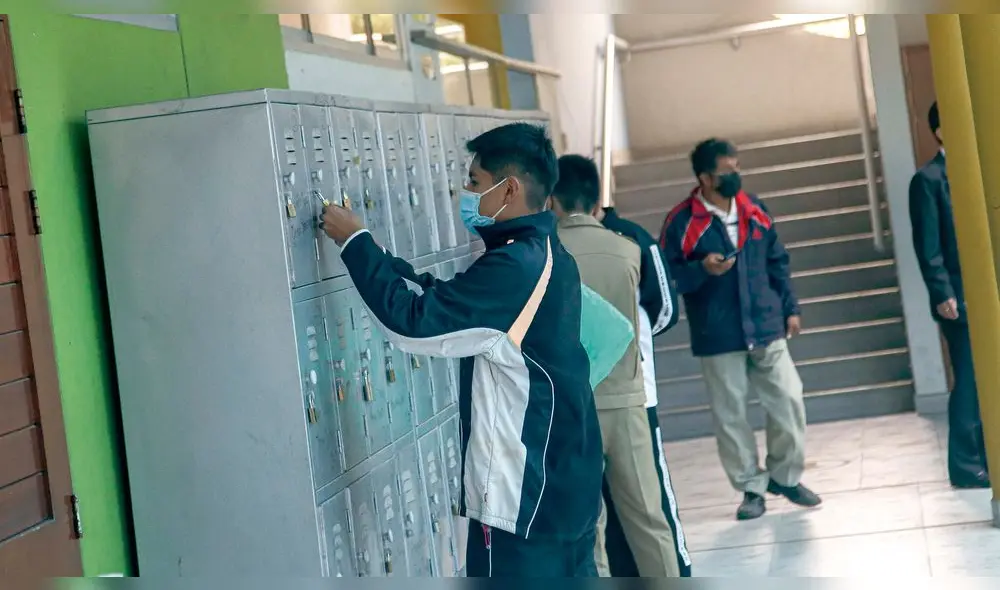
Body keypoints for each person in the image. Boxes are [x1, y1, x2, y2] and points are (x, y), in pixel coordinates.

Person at [320, 123, 605, 577]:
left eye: (474, 182)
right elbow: (454, 300)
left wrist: (355, 244)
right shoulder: (543, 251)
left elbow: (414, 324)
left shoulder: (516, 265)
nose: (465, 193)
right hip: (566, 484)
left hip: (525, 499)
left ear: (509, 188)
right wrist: (380, 255)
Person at [659, 138, 821, 521]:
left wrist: (790, 308)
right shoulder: (682, 222)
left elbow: (777, 260)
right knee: (730, 414)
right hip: (718, 334)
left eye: (736, 167)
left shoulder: (755, 210)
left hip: (766, 324)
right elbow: (666, 275)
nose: (735, 175)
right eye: (726, 171)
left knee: (789, 399)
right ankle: (751, 488)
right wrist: (702, 269)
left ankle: (784, 475)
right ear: (705, 178)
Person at [549, 154, 680, 578]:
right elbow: (656, 314)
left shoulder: (545, 253)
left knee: (590, 525)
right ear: (594, 200)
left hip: (571, 408)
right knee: (648, 517)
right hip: (627, 403)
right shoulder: (628, 248)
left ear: (550, 198)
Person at [592, 167, 692, 578]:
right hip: (605, 395)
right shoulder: (557, 245)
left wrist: (627, 337)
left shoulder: (632, 238)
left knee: (649, 504)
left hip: (634, 394)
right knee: (624, 508)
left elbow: (665, 308)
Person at [909, 102, 989, 489]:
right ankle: (965, 464)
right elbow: (928, 246)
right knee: (971, 377)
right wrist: (942, 292)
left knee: (991, 377)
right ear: (940, 132)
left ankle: (990, 456)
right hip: (956, 296)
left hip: (986, 292)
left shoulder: (977, 171)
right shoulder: (927, 180)